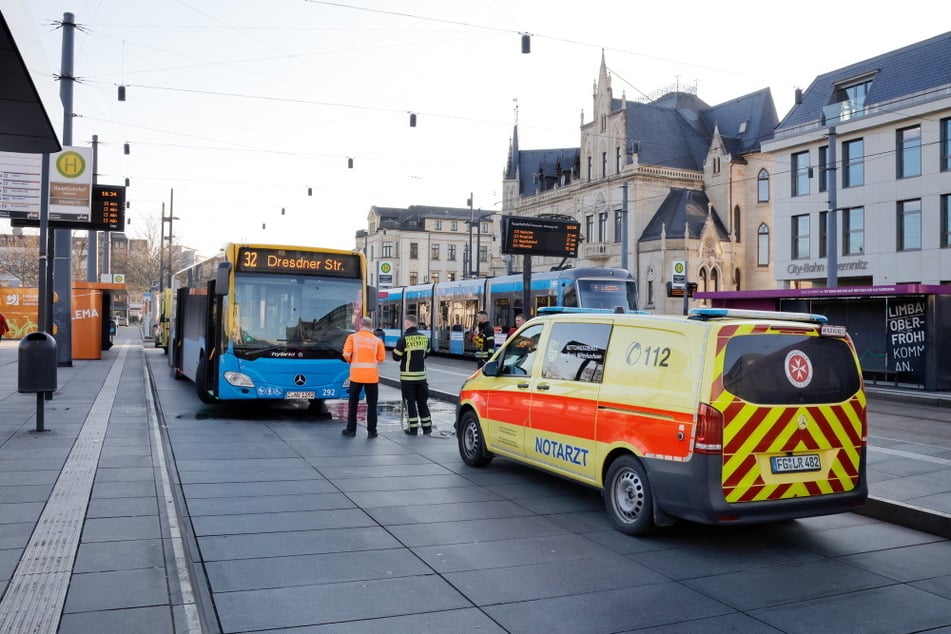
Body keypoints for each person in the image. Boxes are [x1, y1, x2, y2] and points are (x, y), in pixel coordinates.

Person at [341, 316, 386, 438]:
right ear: (371, 326)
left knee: (353, 403)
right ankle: (372, 431)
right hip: (371, 377)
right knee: (372, 404)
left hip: (356, 376)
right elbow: (381, 358)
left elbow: (346, 354)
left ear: (360, 325)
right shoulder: (377, 341)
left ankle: (351, 430)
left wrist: (351, 360)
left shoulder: (352, 338)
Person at [392, 315, 432, 435]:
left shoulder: (403, 339)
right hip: (421, 377)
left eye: (405, 323)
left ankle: (413, 428)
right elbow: (427, 354)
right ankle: (427, 427)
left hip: (408, 377)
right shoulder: (425, 338)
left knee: (410, 402)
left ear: (408, 324)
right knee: (422, 402)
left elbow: (396, 357)